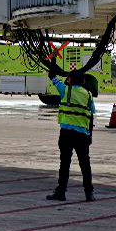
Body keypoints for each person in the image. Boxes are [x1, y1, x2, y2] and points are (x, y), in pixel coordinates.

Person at [47, 71, 95, 202]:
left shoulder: (65, 90)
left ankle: (61, 192)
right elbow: (91, 117)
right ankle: (89, 193)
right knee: (85, 164)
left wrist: (53, 59)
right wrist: (90, 134)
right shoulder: (89, 96)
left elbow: (52, 75)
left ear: (70, 80)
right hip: (83, 134)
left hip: (67, 133)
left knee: (65, 163)